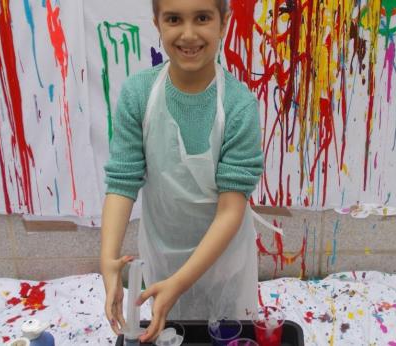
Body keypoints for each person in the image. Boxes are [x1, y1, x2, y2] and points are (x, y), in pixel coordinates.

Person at [100, 0, 264, 342]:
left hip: (225, 257)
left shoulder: (239, 106)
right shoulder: (138, 94)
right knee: (173, 331)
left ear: (223, 23)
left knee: (223, 332)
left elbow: (231, 209)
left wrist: (180, 282)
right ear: (157, 24)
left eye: (202, 18)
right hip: (164, 251)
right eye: (174, 19)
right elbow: (122, 180)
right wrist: (108, 260)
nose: (188, 34)